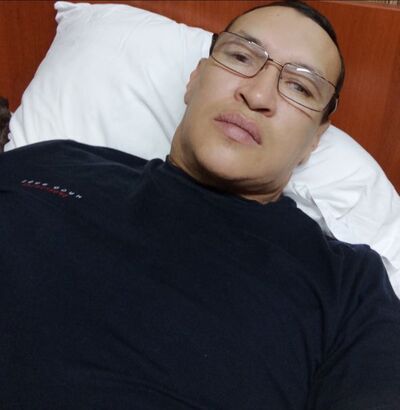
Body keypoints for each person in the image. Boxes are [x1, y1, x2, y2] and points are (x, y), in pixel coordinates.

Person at [0, 1, 399, 409]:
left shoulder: (350, 287)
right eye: (241, 56)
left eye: (300, 87)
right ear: (194, 79)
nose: (257, 94)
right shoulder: (51, 162)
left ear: (315, 138)